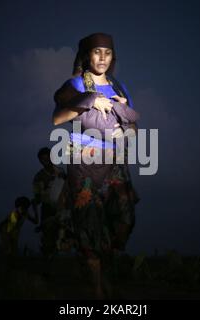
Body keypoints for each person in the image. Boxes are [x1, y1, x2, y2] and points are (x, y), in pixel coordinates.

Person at [52, 33, 140, 298]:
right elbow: (57, 118)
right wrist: (89, 100)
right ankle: (98, 291)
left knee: (125, 218)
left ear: (113, 58)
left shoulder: (119, 87)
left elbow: (134, 129)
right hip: (84, 159)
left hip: (114, 160)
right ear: (86, 56)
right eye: (97, 52)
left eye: (108, 53)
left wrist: (124, 126)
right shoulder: (76, 83)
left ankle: (101, 265)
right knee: (90, 225)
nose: (102, 57)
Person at [32, 147, 71, 258]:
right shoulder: (38, 177)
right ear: (40, 161)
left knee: (65, 235)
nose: (46, 161)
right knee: (48, 239)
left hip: (63, 208)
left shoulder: (61, 172)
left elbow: (68, 187)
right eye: (43, 160)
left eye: (48, 158)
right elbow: (37, 196)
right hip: (48, 208)